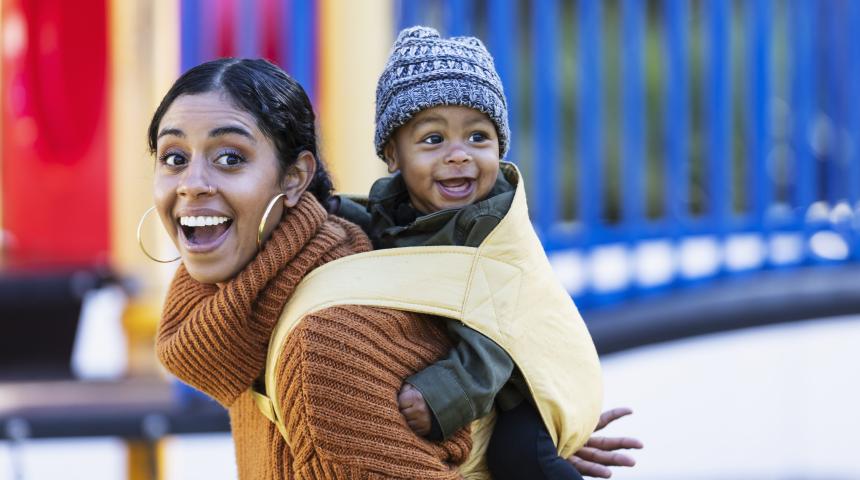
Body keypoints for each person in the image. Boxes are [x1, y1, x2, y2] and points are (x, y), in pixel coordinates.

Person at [148, 57, 639, 479]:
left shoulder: (325, 342)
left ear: (296, 178)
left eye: (230, 158)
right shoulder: (250, 301)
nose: (192, 184)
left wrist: (530, 438)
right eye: (174, 157)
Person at [330, 26, 639, 479]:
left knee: (519, 455)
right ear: (393, 155)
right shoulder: (397, 205)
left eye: (478, 138)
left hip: (524, 383)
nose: (459, 155)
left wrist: (441, 395)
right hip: (494, 375)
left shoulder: (489, 228)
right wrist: (331, 209)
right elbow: (377, 222)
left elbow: (496, 337)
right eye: (433, 140)